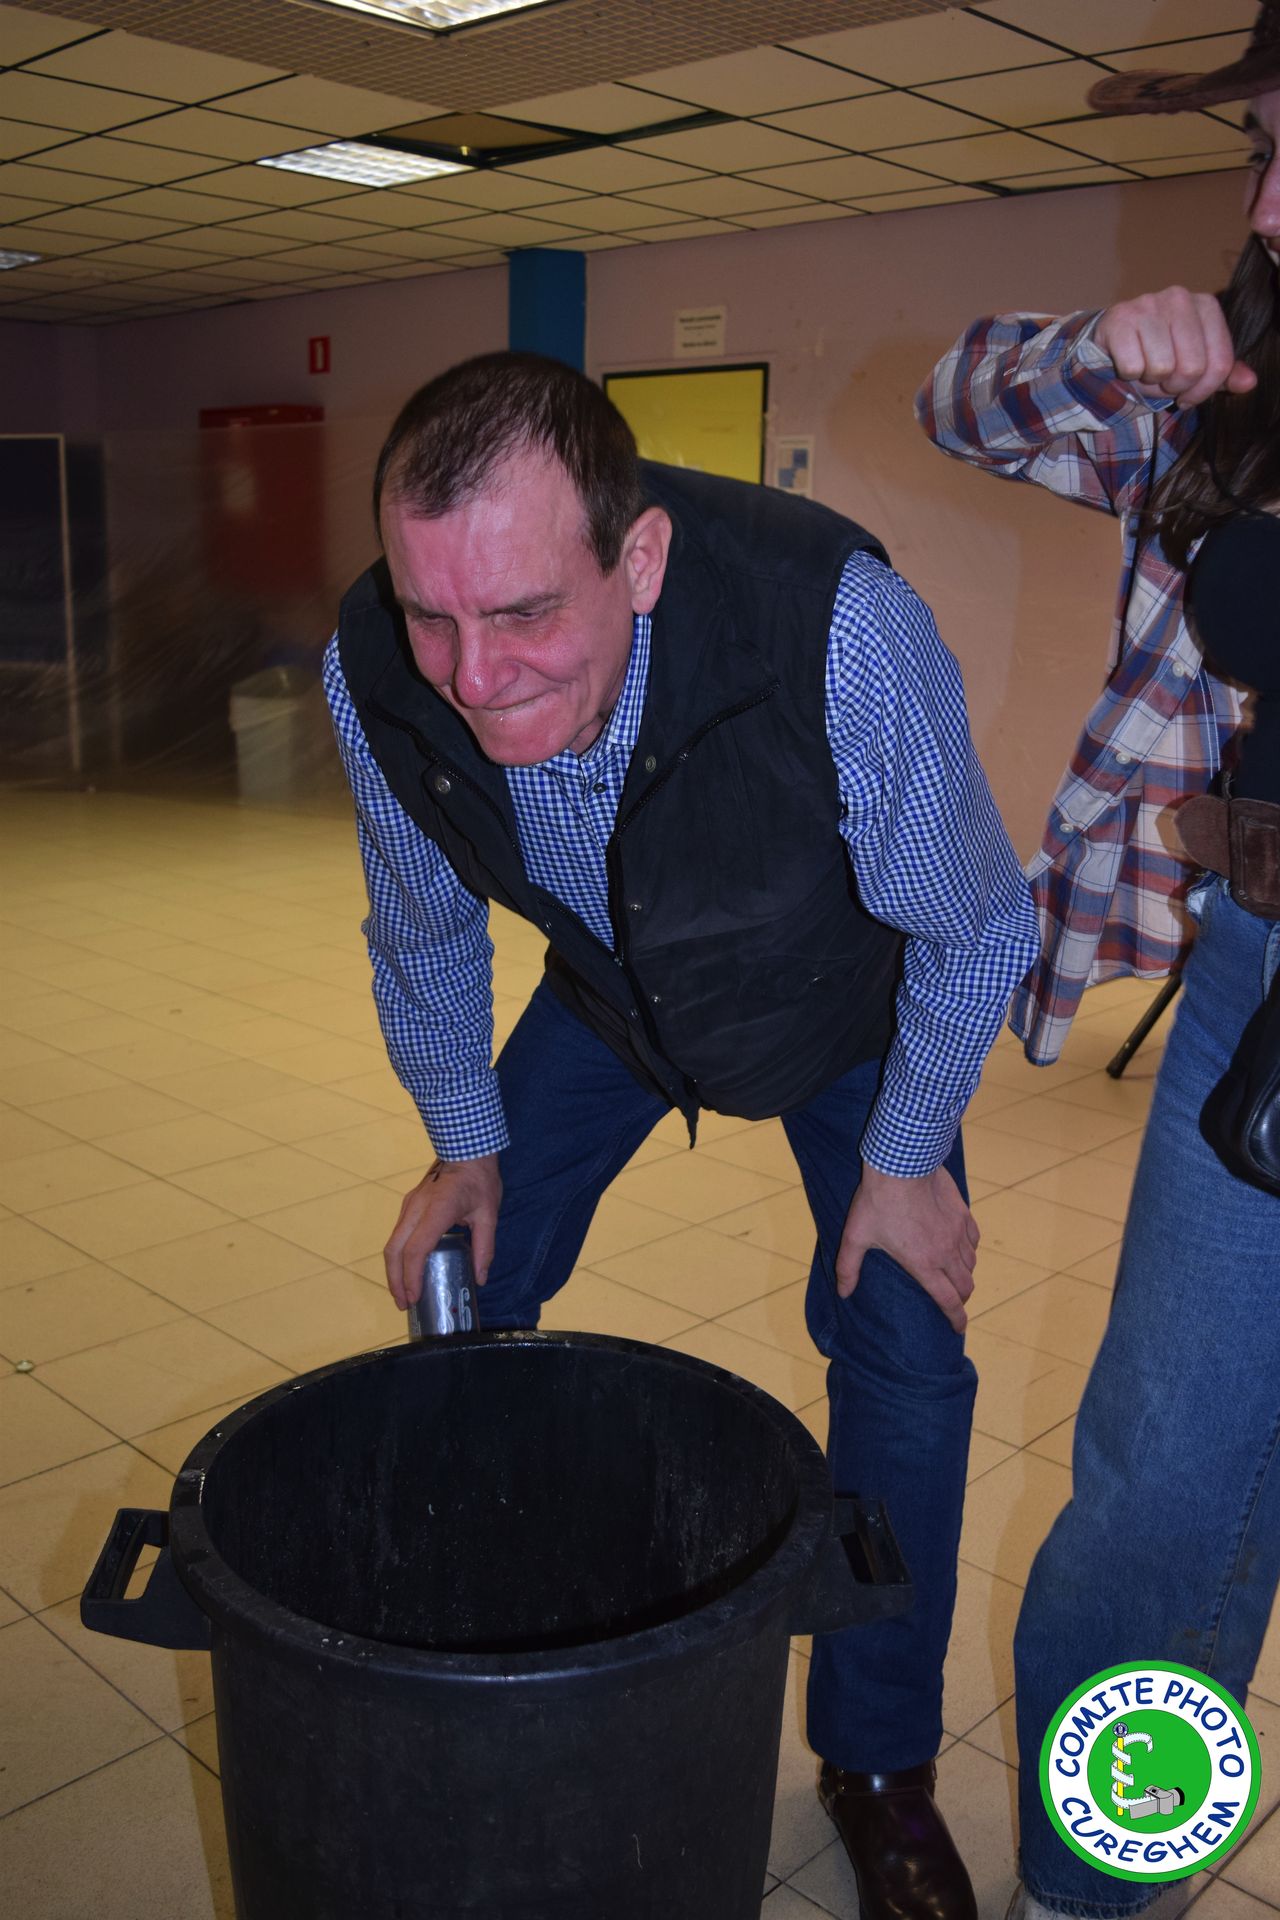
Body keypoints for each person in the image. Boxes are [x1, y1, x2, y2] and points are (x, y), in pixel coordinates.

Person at [324, 350, 1038, 1920]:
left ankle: (878, 1768)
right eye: (432, 615)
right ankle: (481, 1656)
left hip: (845, 1002)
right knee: (465, 1284)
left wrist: (905, 1162)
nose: (471, 674)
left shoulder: (832, 625)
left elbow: (975, 924)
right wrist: (466, 1142)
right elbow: (423, 929)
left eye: (523, 614)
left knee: (905, 1347)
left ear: (637, 557)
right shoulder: (370, 667)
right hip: (612, 996)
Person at [917, 8, 1280, 1917]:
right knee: (1161, 1486)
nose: (1270, 207)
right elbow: (956, 400)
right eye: (1268, 152)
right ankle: (1096, 1891)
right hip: (1260, 979)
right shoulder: (1237, 397)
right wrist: (1100, 347)